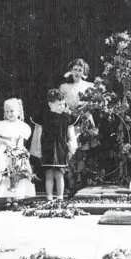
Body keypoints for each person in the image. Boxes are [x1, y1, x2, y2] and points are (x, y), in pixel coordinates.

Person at [59, 58, 97, 190]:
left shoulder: (90, 86)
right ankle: (70, 178)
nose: (77, 72)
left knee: (83, 150)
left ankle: (80, 178)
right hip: (70, 121)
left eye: (80, 70)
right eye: (75, 69)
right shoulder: (64, 87)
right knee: (70, 148)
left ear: (84, 72)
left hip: (84, 120)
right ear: (70, 71)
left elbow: (94, 104)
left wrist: (84, 106)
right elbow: (60, 104)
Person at [33, 90, 78, 201]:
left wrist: (72, 147)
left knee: (59, 174)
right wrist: (37, 149)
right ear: (50, 104)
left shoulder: (66, 117)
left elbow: (71, 134)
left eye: (63, 104)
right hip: (47, 148)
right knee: (49, 174)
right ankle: (49, 197)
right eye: (59, 104)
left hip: (61, 148)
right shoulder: (44, 116)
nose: (62, 106)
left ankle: (60, 197)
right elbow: (38, 133)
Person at [0, 98, 35, 208]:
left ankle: (16, 197)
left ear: (19, 112)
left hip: (16, 151)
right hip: (3, 151)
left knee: (16, 172)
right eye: (6, 111)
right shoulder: (1, 124)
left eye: (12, 111)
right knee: (5, 172)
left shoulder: (22, 126)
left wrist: (18, 151)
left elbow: (20, 140)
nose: (9, 114)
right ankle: (7, 197)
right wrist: (5, 141)